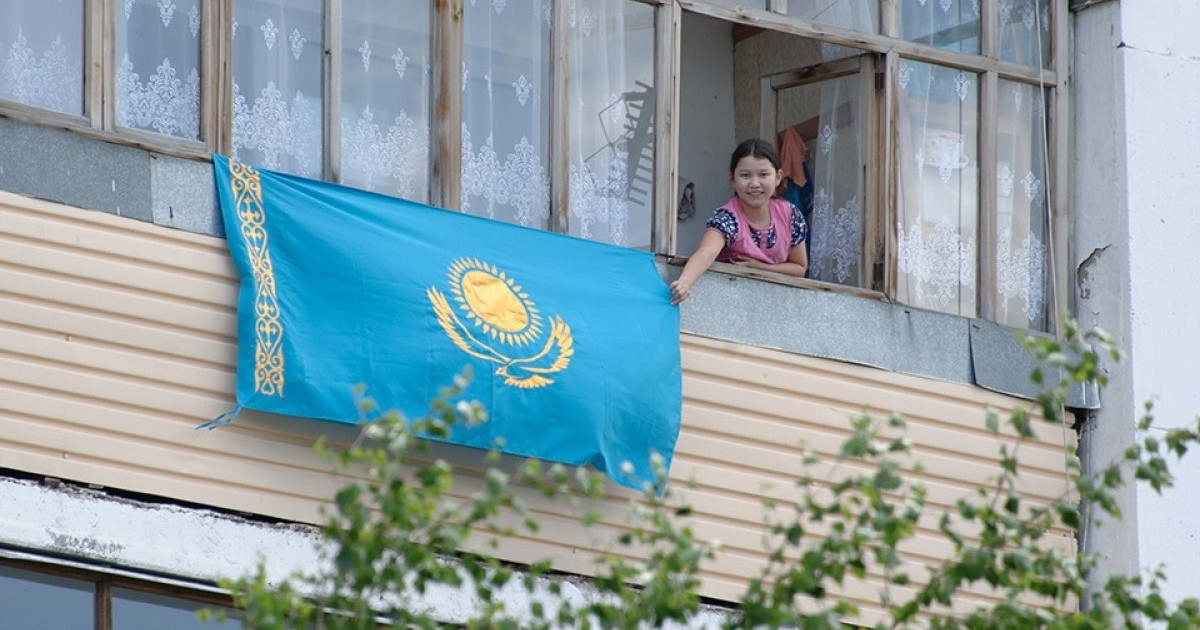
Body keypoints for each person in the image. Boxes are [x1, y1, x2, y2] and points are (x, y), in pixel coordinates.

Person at [669, 138, 809, 305]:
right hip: (730, 304)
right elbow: (706, 253)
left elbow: (799, 268)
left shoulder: (790, 215)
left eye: (763, 175)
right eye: (745, 175)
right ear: (733, 179)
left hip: (776, 306)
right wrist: (685, 282)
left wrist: (759, 267)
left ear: (778, 177)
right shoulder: (727, 218)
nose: (755, 183)